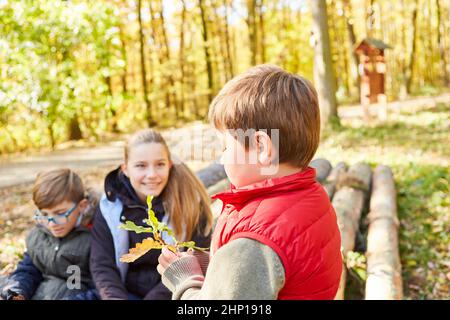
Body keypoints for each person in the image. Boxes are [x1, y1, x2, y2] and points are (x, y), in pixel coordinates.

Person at [157, 64, 343, 299]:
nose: (222, 158)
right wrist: (217, 267)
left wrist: (185, 281)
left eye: (226, 147)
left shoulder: (255, 242)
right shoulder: (309, 195)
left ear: (262, 147)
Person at [90, 129, 213, 300]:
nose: (152, 175)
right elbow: (102, 265)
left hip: (173, 294)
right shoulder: (109, 206)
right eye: (141, 165)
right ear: (125, 169)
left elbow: (199, 260)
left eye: (160, 164)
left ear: (169, 165)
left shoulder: (191, 204)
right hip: (122, 293)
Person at [0, 168, 99, 300]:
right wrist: (17, 291)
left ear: (82, 206)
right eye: (45, 214)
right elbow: (28, 270)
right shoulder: (39, 236)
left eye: (60, 213)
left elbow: (103, 288)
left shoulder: (95, 239)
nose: (52, 223)